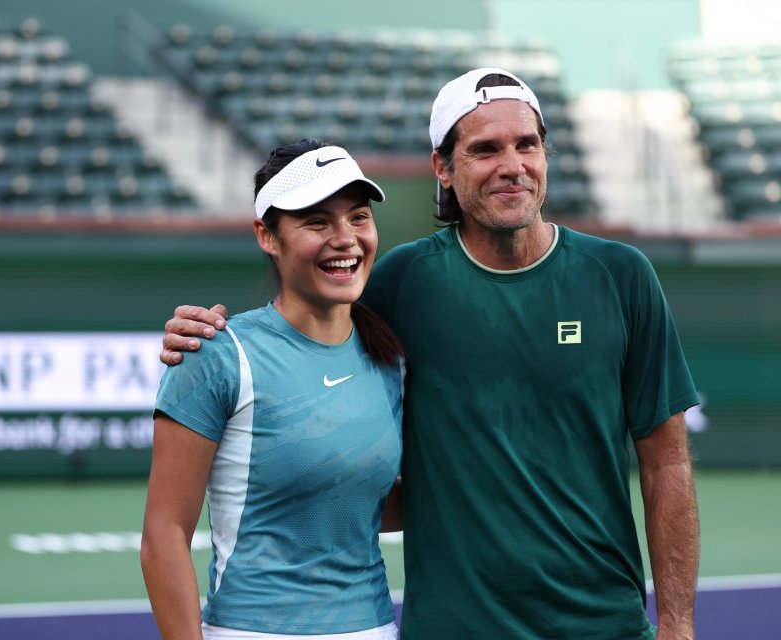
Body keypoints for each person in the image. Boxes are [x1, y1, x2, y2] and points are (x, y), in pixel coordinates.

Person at [160, 68, 700, 639]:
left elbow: (666, 461)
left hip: (605, 626)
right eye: (485, 149)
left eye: (527, 144)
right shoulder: (401, 282)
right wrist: (202, 332)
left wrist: (678, 624)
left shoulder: (621, 276)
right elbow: (305, 322)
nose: (512, 165)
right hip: (450, 628)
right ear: (443, 167)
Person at [141, 139, 407, 640]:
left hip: (373, 628)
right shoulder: (216, 354)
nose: (345, 238)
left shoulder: (389, 357)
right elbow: (164, 535)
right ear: (268, 235)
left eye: (358, 217)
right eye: (317, 221)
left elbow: (373, 507)